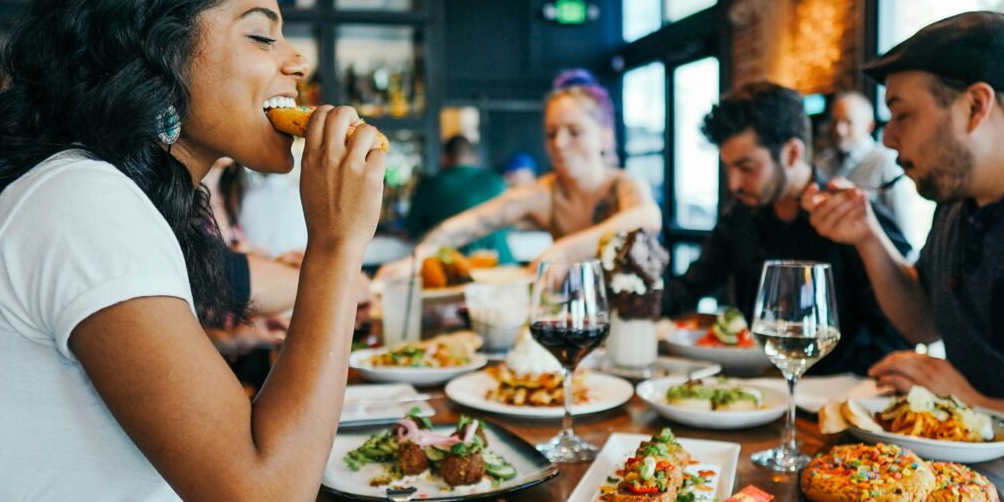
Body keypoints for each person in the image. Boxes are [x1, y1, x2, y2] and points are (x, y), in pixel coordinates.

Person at [0, 0, 385, 502]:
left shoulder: (124, 201)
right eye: (262, 36)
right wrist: (337, 245)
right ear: (156, 53)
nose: (297, 62)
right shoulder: (83, 204)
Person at [804, 11, 1004, 455]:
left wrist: (975, 405)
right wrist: (867, 236)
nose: (888, 138)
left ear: (975, 106)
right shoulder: (959, 193)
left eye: (902, 114)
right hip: (969, 470)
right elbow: (923, 320)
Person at [664, 81, 912, 375]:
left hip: (837, 392)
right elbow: (690, 287)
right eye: (728, 168)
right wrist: (634, 298)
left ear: (793, 153)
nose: (733, 184)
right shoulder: (740, 219)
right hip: (755, 385)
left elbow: (899, 333)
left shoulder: (851, 217)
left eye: (747, 168)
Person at [377, 69, 661, 277]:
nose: (559, 143)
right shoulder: (545, 192)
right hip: (577, 320)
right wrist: (417, 259)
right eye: (551, 133)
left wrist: (564, 250)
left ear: (605, 137)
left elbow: (647, 217)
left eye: (574, 132)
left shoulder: (623, 185)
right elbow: (470, 223)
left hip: (634, 323)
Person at [816, 91, 931, 251]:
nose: (839, 130)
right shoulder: (822, 162)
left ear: (869, 126)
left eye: (848, 122)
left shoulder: (885, 163)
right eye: (835, 121)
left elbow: (903, 231)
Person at [405, 134, 513, 262]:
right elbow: (510, 225)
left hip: (453, 266)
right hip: (502, 264)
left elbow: (409, 232)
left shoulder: (430, 186)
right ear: (475, 158)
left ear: (444, 158)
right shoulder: (497, 181)